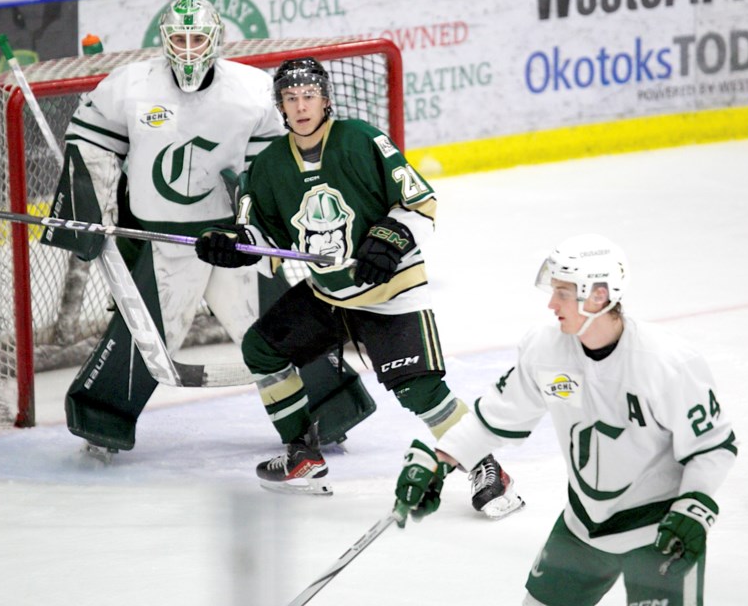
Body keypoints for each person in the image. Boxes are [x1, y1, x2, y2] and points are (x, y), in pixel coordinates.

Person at [39, 0, 371, 458]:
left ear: (216, 39)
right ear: (164, 39)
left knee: (276, 327)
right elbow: (88, 142)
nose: (189, 47)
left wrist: (261, 222)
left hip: (234, 241)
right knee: (150, 331)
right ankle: (102, 420)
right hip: (165, 240)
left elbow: (276, 163)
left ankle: (331, 411)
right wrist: (89, 207)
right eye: (179, 37)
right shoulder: (130, 85)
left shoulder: (252, 89)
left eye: (198, 37)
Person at [194, 57, 524, 518]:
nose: (301, 105)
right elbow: (262, 239)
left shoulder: (361, 140)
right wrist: (233, 244)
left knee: (419, 390)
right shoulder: (268, 166)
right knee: (263, 348)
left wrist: (389, 237)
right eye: (291, 98)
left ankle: (488, 469)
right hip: (329, 293)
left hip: (391, 290)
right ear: (281, 107)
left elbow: (420, 202)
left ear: (325, 99)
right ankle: (301, 453)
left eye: (309, 96)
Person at [393, 234, 739, 605]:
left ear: (599, 295)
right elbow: (495, 416)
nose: (550, 303)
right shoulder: (546, 350)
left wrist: (694, 504)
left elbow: (712, 447)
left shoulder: (667, 363)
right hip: (581, 526)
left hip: (659, 532)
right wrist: (440, 460)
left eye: (562, 292)